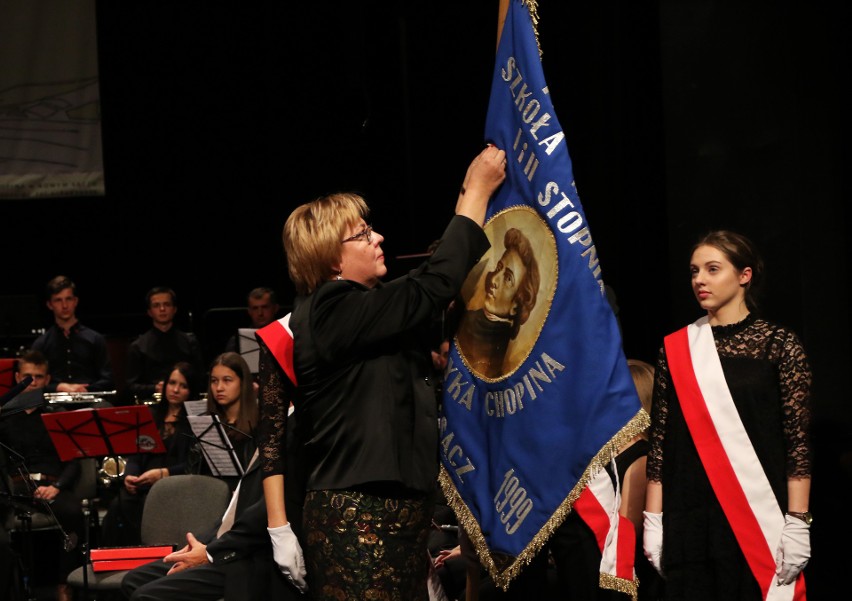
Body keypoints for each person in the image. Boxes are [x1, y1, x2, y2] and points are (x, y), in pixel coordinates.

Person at [254, 144, 506, 600]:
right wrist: (475, 192)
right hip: (358, 519)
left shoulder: (367, 313)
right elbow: (434, 283)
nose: (379, 238)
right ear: (333, 257)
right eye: (363, 234)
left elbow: (433, 291)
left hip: (398, 517)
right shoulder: (331, 309)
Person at [643, 230, 813, 600]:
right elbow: (660, 443)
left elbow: (797, 441)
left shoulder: (778, 344)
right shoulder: (676, 348)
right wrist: (653, 519)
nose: (699, 279)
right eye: (694, 271)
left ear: (744, 275)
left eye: (712, 269)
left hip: (757, 515)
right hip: (688, 517)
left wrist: (798, 521)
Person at [120, 405, 310, 601]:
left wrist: (210, 553)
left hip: (247, 556)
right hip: (222, 541)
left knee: (145, 596)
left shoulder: (297, 427)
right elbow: (234, 510)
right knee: (132, 581)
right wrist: (202, 544)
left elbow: (261, 516)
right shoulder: (274, 420)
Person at [0, 350, 84, 601]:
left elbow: (73, 460)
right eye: (28, 377)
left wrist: (57, 486)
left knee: (73, 514)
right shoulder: (3, 417)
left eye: (38, 377)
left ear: (47, 379)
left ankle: (65, 584)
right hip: (14, 488)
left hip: (50, 486)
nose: (33, 382)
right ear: (17, 377)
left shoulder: (57, 415)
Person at [99, 361, 200, 547]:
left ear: (191, 390)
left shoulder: (196, 421)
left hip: (172, 485)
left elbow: (192, 464)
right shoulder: (152, 415)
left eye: (183, 386)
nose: (175, 390)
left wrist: (163, 474)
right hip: (142, 482)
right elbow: (135, 453)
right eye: (172, 383)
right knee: (118, 504)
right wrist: (130, 474)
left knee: (148, 504)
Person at [455, 226, 541, 378]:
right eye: (498, 268)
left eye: (508, 279)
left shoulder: (504, 353)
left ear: (515, 306)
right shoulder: (461, 321)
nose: (494, 280)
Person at [30, 275, 114, 393]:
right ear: (49, 305)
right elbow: (33, 383)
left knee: (104, 407)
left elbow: (108, 380)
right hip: (55, 403)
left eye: (68, 299)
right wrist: (58, 387)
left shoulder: (95, 339)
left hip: (90, 399)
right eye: (58, 300)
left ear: (75, 301)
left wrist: (86, 389)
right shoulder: (41, 344)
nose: (64, 306)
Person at [125, 287, 204, 404]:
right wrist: (155, 388)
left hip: (186, 402)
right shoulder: (138, 346)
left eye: (167, 304)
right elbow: (131, 386)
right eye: (156, 305)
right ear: (149, 312)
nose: (162, 309)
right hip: (152, 403)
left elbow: (200, 377)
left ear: (174, 309)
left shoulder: (189, 342)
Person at [192, 352, 258, 492]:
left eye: (227, 380)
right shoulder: (205, 423)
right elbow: (194, 469)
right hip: (209, 497)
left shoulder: (260, 423)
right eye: (214, 381)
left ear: (243, 382)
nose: (219, 388)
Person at [224, 287, 281, 353]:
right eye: (255, 308)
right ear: (249, 311)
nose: (260, 313)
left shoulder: (289, 337)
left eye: (265, 307)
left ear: (276, 308)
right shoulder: (237, 342)